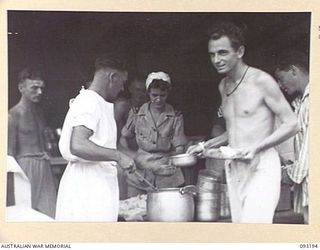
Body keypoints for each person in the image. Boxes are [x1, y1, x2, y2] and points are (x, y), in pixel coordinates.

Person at [187, 22, 298, 223]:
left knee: (254, 231)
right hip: (235, 166)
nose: (216, 60)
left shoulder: (261, 81)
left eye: (222, 53)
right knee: (240, 229)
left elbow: (292, 124)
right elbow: (235, 129)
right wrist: (205, 145)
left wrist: (257, 148)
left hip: (261, 164)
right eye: (212, 54)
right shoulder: (224, 85)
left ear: (240, 51)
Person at [56, 54, 136, 221]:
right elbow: (78, 144)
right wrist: (118, 156)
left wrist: (144, 160)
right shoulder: (89, 101)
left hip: (96, 183)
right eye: (123, 82)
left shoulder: (97, 102)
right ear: (112, 77)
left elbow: (104, 144)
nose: (122, 89)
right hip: (87, 187)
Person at [120, 72, 188, 197]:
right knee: (134, 209)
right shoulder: (137, 113)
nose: (158, 99)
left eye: (163, 95)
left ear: (168, 93)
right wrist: (131, 156)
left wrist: (171, 163)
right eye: (154, 95)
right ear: (148, 93)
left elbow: (180, 147)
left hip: (166, 175)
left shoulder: (176, 116)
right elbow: (123, 137)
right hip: (139, 174)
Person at [8, 67, 57, 218]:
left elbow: (49, 144)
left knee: (51, 214)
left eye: (41, 88)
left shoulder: (40, 113)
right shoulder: (12, 116)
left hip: (44, 165)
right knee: (25, 214)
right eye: (34, 88)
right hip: (25, 167)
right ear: (21, 88)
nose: (40, 92)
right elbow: (8, 155)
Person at [274, 51, 309, 224]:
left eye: (281, 78)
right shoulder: (300, 103)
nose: (280, 85)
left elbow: (311, 150)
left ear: (293, 70)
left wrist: (289, 174)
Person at [114, 75, 149, 200]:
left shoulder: (151, 108)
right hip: (123, 153)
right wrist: (133, 156)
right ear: (130, 89)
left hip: (143, 154)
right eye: (137, 90)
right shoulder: (122, 106)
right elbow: (115, 139)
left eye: (144, 90)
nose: (141, 94)